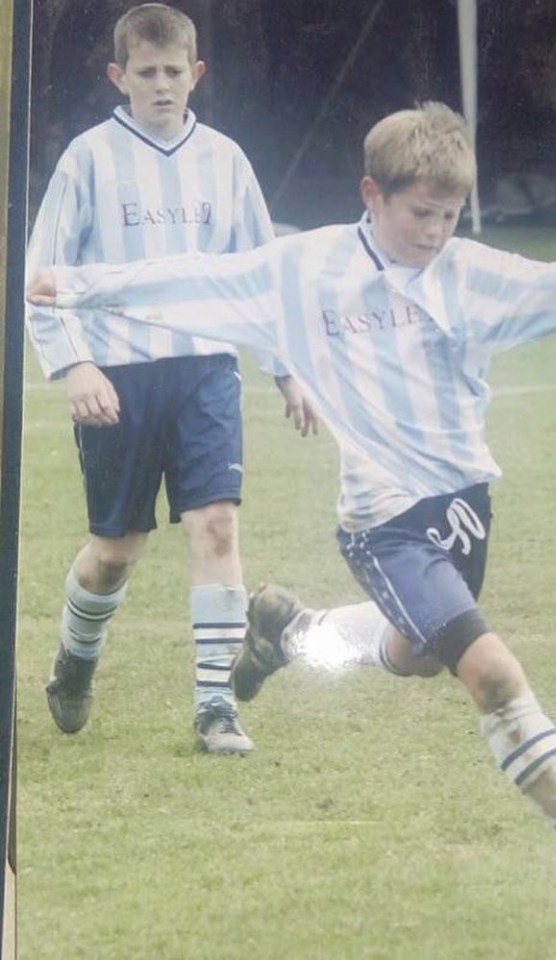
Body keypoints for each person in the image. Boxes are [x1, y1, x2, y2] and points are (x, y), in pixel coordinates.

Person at [28, 102, 556, 853]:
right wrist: (80, 287)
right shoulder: (305, 272)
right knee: (494, 675)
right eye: (420, 213)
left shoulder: (463, 273)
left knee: (416, 656)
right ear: (371, 195)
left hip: (465, 508)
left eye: (450, 214)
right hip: (385, 525)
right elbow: (197, 278)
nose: (436, 231)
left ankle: (297, 634)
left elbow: (547, 286)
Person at [25, 3, 316, 755]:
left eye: (173, 72)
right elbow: (42, 277)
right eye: (145, 73)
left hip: (206, 369)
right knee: (115, 551)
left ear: (197, 74)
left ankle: (216, 704)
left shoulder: (226, 161)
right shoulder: (87, 160)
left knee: (215, 525)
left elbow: (261, 277)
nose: (161, 85)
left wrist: (287, 372)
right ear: (118, 77)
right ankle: (75, 661)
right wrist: (76, 363)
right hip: (117, 377)